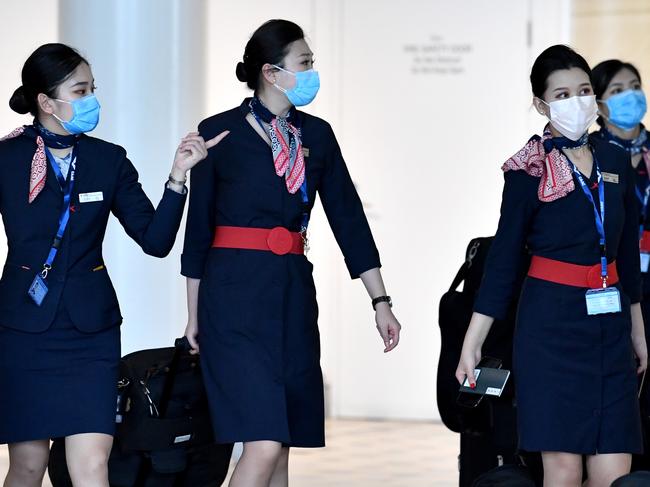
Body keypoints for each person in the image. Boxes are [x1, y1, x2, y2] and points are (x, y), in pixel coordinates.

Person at [181, 19, 402, 487]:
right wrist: (193, 314)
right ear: (270, 72)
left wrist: (380, 301)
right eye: (304, 64)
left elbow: (349, 220)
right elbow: (197, 232)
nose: (311, 72)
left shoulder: (316, 135)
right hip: (233, 300)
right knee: (261, 443)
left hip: (292, 296)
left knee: (279, 448)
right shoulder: (218, 133)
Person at [0, 43, 227, 487]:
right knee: (28, 467)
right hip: (24, 331)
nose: (91, 100)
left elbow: (156, 241)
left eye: (92, 89)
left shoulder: (108, 161)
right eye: (80, 91)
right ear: (46, 102)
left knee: (91, 466)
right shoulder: (5, 160)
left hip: (91, 334)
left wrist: (178, 176)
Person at [455, 45, 647, 487]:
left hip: (610, 326)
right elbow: (503, 261)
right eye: (562, 94)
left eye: (583, 91)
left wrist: (637, 331)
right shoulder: (528, 169)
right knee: (562, 469)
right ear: (541, 105)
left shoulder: (616, 160)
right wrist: (473, 340)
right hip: (550, 329)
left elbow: (625, 256)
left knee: (614, 469)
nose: (575, 101)